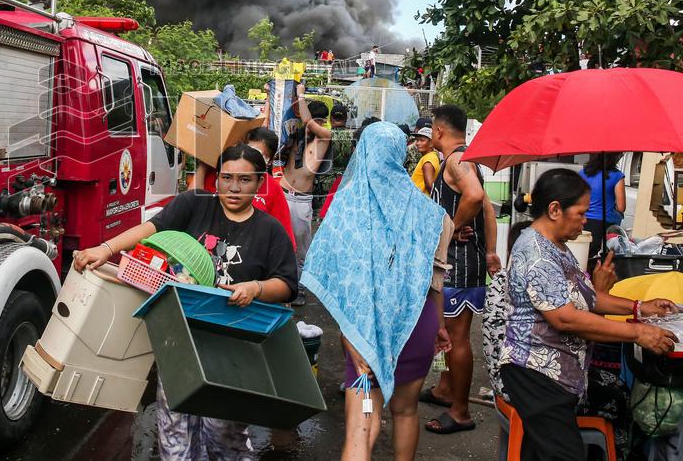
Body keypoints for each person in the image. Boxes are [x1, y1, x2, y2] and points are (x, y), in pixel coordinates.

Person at [74, 145, 298, 461]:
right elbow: (153, 228)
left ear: (260, 183)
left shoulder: (269, 230)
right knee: (175, 431)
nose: (234, 188)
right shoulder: (195, 205)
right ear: (216, 179)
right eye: (227, 178)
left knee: (224, 436)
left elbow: (287, 285)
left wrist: (257, 288)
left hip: (231, 348)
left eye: (245, 180)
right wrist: (106, 248)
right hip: (180, 337)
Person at [499, 169, 677, 461]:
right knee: (564, 455)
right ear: (555, 209)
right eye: (580, 213)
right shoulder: (536, 253)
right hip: (537, 372)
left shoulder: (557, 247)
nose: (585, 220)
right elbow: (565, 317)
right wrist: (638, 331)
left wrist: (640, 308)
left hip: (558, 372)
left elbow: (588, 298)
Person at [301, 122, 454, 461]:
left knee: (362, 422)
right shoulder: (432, 214)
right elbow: (435, 281)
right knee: (406, 411)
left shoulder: (346, 210)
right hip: (417, 323)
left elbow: (335, 276)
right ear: (401, 154)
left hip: (364, 328)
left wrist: (350, 336)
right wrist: (440, 326)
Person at [423, 104, 500, 435]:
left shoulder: (456, 160)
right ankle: (443, 390)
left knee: (455, 337)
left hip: (461, 264)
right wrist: (492, 249)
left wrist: (451, 229)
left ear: (439, 131)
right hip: (460, 262)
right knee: (445, 334)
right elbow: (487, 210)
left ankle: (461, 411)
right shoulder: (463, 159)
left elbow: (476, 195)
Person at [279, 85, 331, 261]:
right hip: (283, 193)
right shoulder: (297, 135)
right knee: (278, 241)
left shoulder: (324, 136)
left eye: (318, 122)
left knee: (301, 250)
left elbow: (309, 121)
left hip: (301, 200)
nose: (312, 125)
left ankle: (299, 287)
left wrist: (301, 95)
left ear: (323, 122)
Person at [578, 152, 626, 257]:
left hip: (581, 221)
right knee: (599, 258)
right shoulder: (617, 176)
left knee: (583, 255)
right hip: (605, 224)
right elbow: (621, 207)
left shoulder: (582, 173)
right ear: (614, 157)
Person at [312, 102, 353, 218]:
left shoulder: (325, 136)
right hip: (346, 183)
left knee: (325, 217)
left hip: (325, 184)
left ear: (330, 119)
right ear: (346, 118)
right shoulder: (353, 137)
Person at [410, 127, 440, 195]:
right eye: (417, 140)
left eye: (422, 140)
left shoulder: (428, 159)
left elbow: (430, 186)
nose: (417, 143)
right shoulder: (429, 157)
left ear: (431, 143)